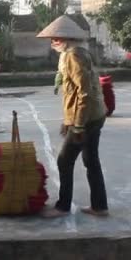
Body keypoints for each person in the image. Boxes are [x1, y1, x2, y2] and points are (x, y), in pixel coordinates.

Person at [36, 15, 109, 218]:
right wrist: (70, 120)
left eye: (56, 39)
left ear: (67, 39)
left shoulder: (73, 56)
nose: (53, 43)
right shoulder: (74, 53)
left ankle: (63, 206)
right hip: (94, 114)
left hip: (87, 117)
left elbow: (83, 92)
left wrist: (77, 125)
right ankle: (99, 206)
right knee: (90, 160)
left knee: (64, 160)